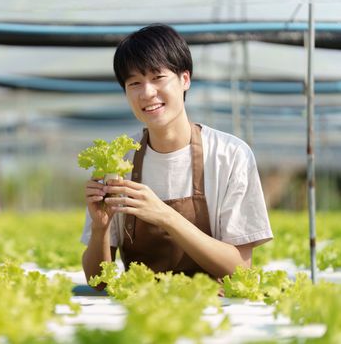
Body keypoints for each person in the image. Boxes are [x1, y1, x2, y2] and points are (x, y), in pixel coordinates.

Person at [81, 24, 273, 284]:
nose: (147, 93)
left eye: (158, 78)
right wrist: (100, 228)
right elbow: (98, 280)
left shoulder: (230, 155)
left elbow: (240, 270)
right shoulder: (118, 160)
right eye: (134, 83)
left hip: (216, 312)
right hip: (142, 310)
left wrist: (166, 216)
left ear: (185, 79)